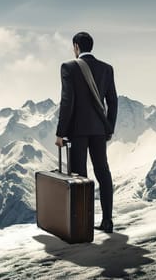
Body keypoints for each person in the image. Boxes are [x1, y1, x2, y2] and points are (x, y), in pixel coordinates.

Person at [55, 31, 118, 233]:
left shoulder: (69, 67)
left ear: (76, 46)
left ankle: (82, 224)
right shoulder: (107, 69)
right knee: (103, 173)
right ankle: (107, 221)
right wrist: (109, 128)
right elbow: (113, 101)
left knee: (79, 177)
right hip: (99, 130)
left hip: (78, 131)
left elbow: (67, 102)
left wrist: (60, 132)